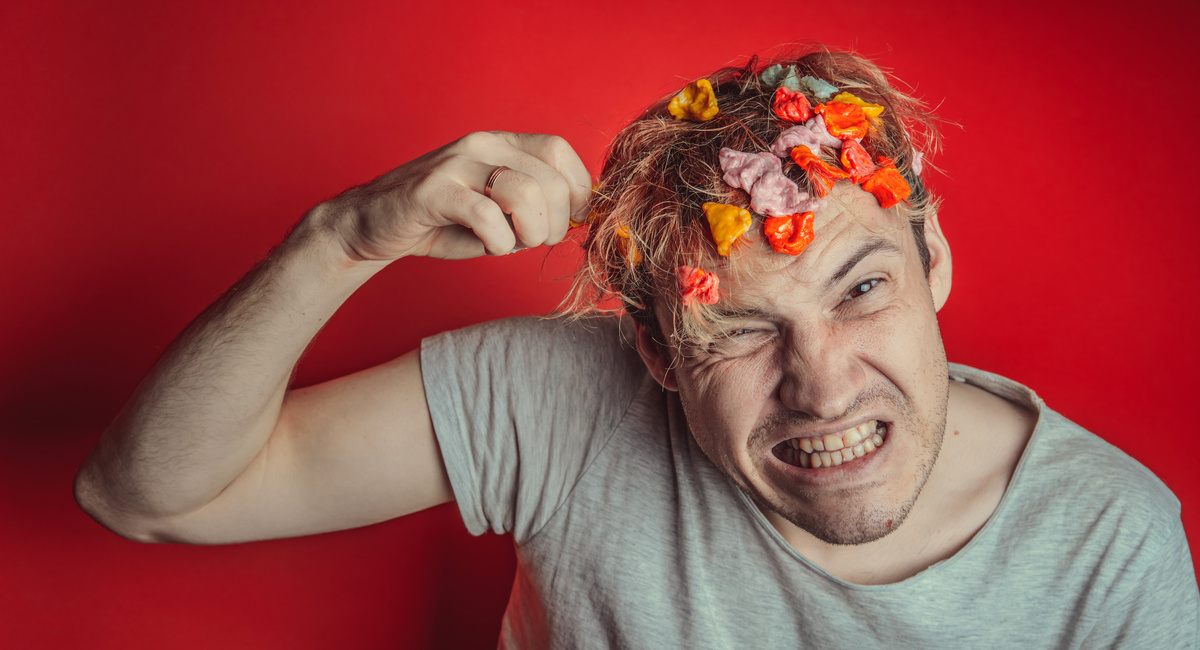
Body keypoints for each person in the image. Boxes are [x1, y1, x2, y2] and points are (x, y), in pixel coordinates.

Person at [74, 45, 1199, 647]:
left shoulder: (1109, 545)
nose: (823, 381)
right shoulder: (565, 403)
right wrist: (342, 237)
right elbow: (149, 493)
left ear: (934, 261)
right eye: (742, 328)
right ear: (657, 351)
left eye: (861, 286)